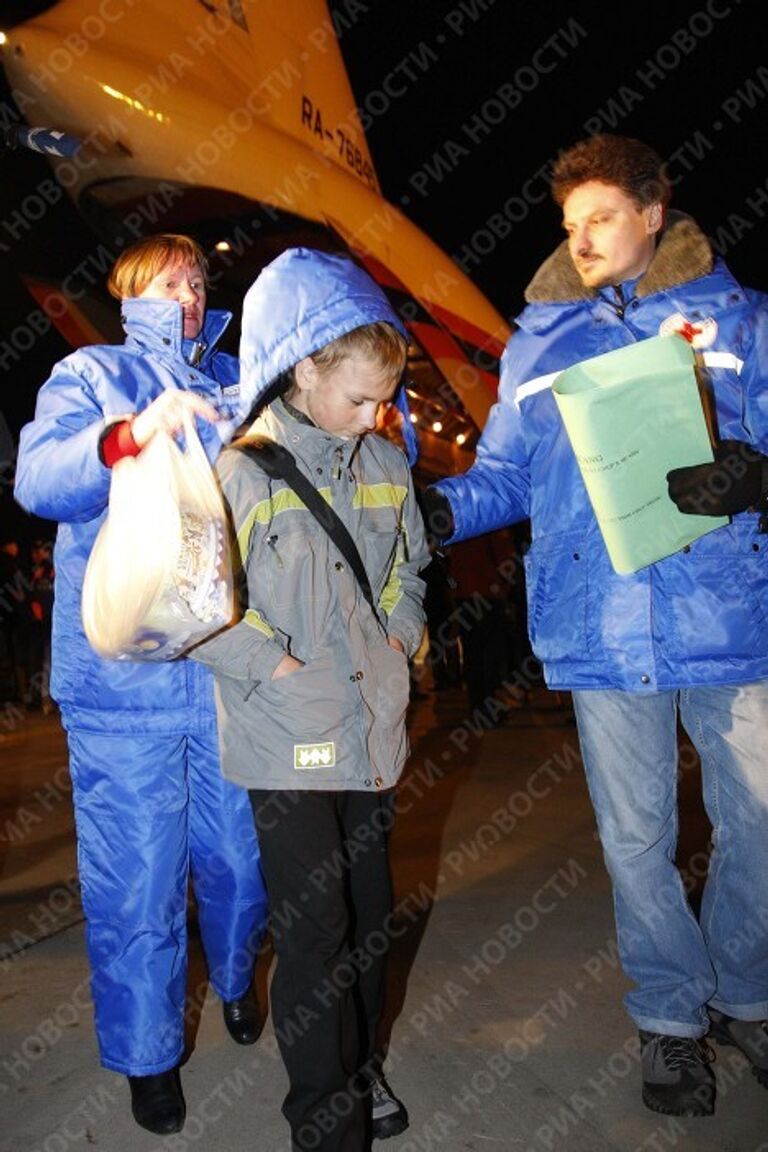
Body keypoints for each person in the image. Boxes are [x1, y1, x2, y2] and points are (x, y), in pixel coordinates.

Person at [422, 135, 768, 1118]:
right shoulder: (535, 341)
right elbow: (505, 474)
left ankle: (745, 996)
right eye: (569, 225)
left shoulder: (739, 318)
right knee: (636, 841)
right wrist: (441, 511)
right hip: (602, 626)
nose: (581, 239)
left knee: (762, 824)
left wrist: (757, 472)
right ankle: (670, 1024)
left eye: (602, 216)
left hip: (729, 616)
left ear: (655, 212)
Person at [14, 233, 269, 1136]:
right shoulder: (91, 374)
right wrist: (128, 437)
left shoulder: (242, 376)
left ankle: (236, 976)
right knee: (137, 883)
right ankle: (148, 1056)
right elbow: (38, 478)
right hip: (122, 687)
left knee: (242, 865)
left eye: (199, 280)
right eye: (171, 280)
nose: (190, 293)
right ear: (130, 291)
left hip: (232, 675)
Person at [192, 247, 429, 1150]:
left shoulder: (384, 463)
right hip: (286, 735)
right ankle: (324, 1119)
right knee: (316, 921)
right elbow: (192, 605)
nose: (377, 417)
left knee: (370, 914)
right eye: (360, 398)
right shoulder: (238, 472)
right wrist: (274, 667)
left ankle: (361, 1067)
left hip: (369, 726)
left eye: (384, 401)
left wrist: (404, 628)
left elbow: (410, 565)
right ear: (304, 369)